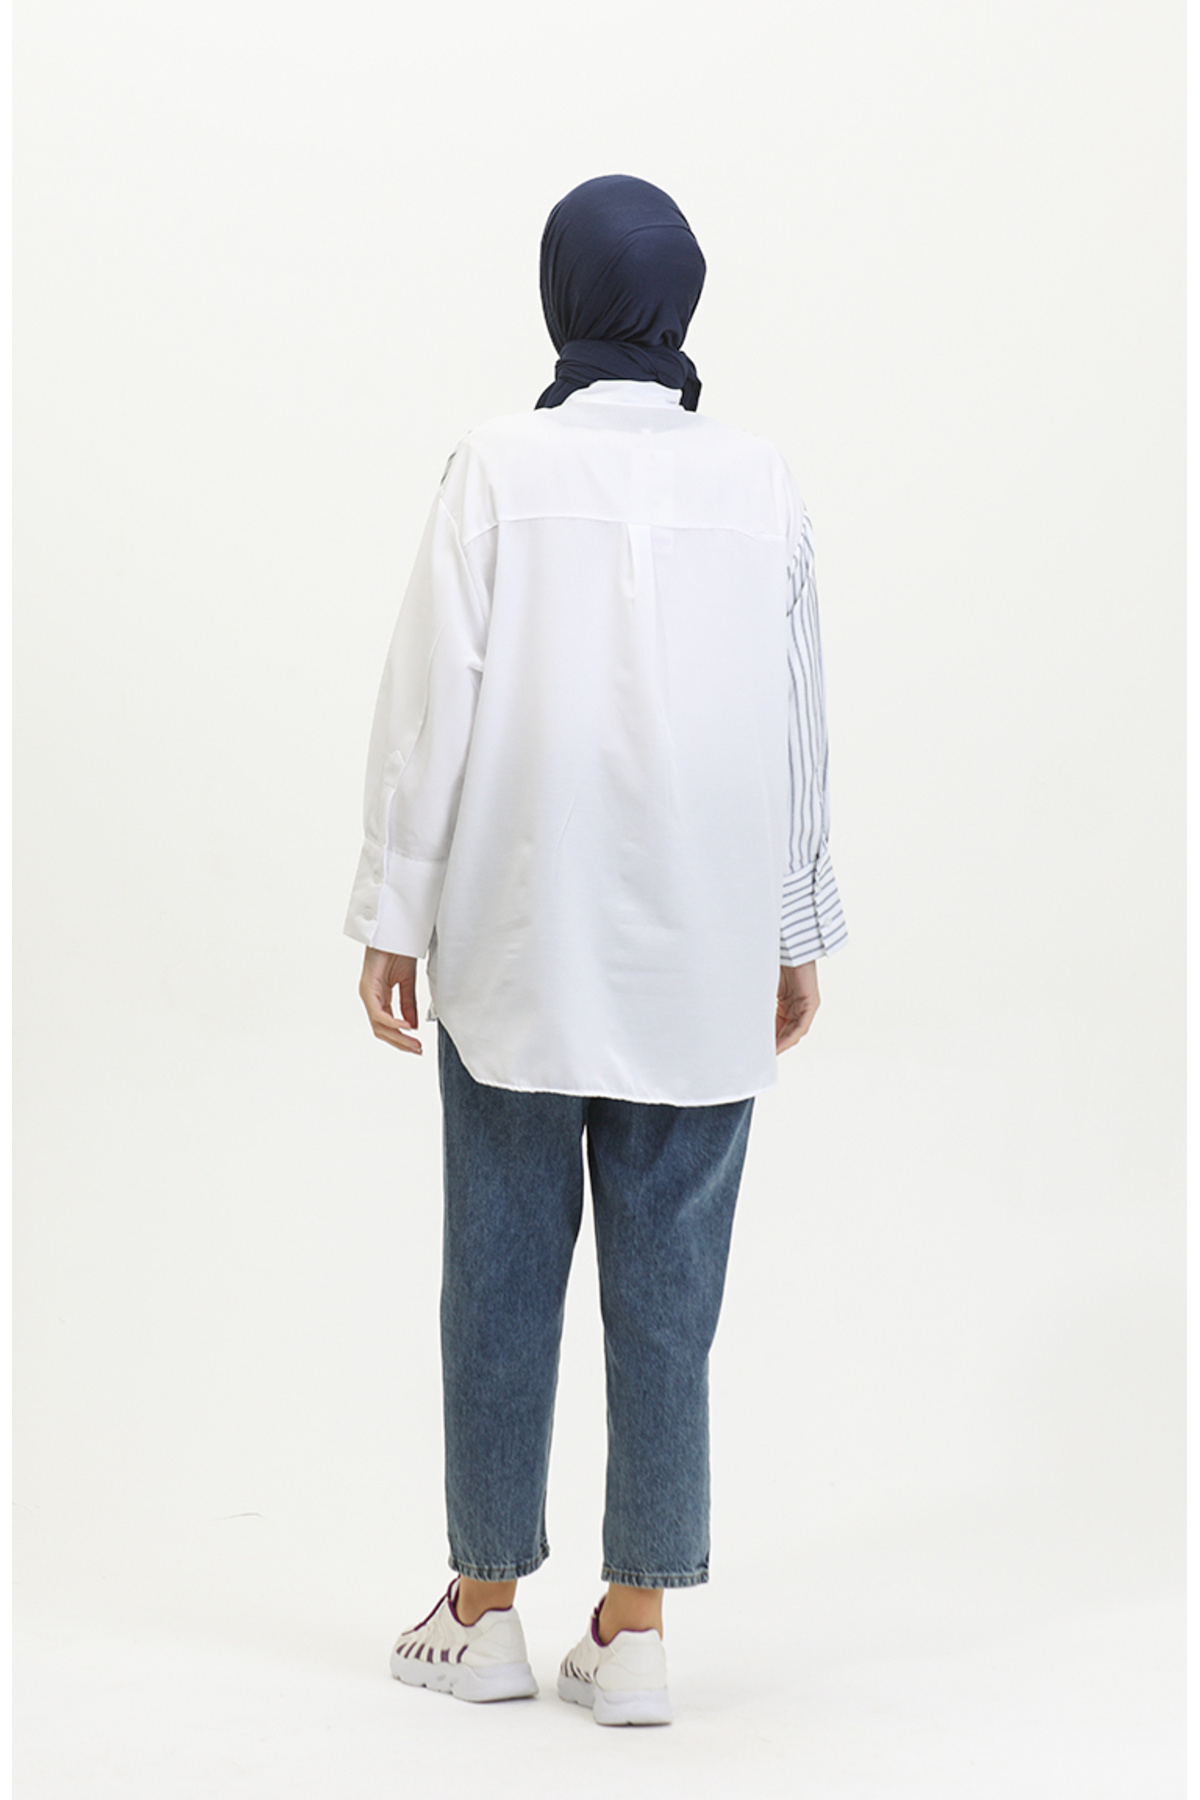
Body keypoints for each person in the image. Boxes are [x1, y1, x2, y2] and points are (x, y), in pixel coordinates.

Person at [344, 173, 850, 1727]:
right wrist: (795, 929)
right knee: (670, 1297)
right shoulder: (762, 481)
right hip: (702, 953)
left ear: (562, 293)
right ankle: (634, 1632)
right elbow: (797, 725)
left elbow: (431, 703)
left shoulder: (496, 466)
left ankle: (482, 1611)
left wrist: (393, 909)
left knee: (498, 1274)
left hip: (519, 944)